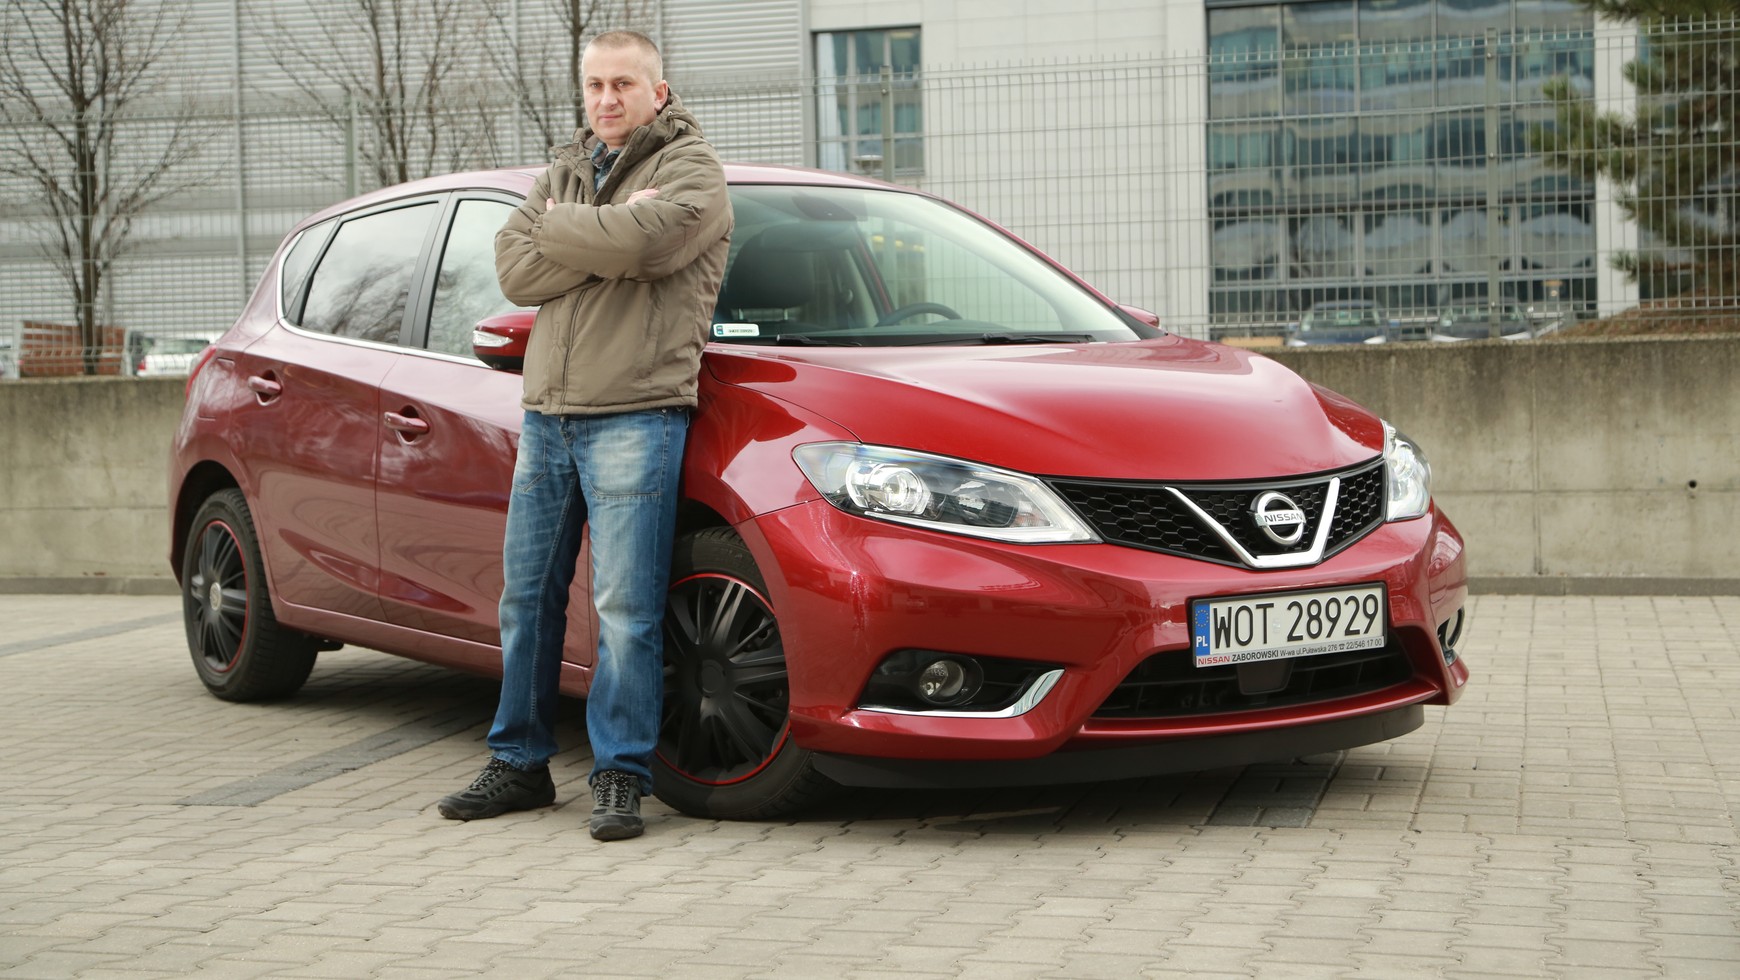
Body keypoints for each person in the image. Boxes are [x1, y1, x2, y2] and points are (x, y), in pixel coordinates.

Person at [436, 29, 732, 841]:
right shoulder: (567, 167)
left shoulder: (693, 169)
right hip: (548, 415)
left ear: (657, 92)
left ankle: (620, 775)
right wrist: (607, 230)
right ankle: (519, 763)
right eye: (595, 85)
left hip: (637, 411)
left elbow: (650, 244)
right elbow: (514, 267)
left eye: (623, 85)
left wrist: (576, 232)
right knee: (526, 599)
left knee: (625, 609)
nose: (607, 99)